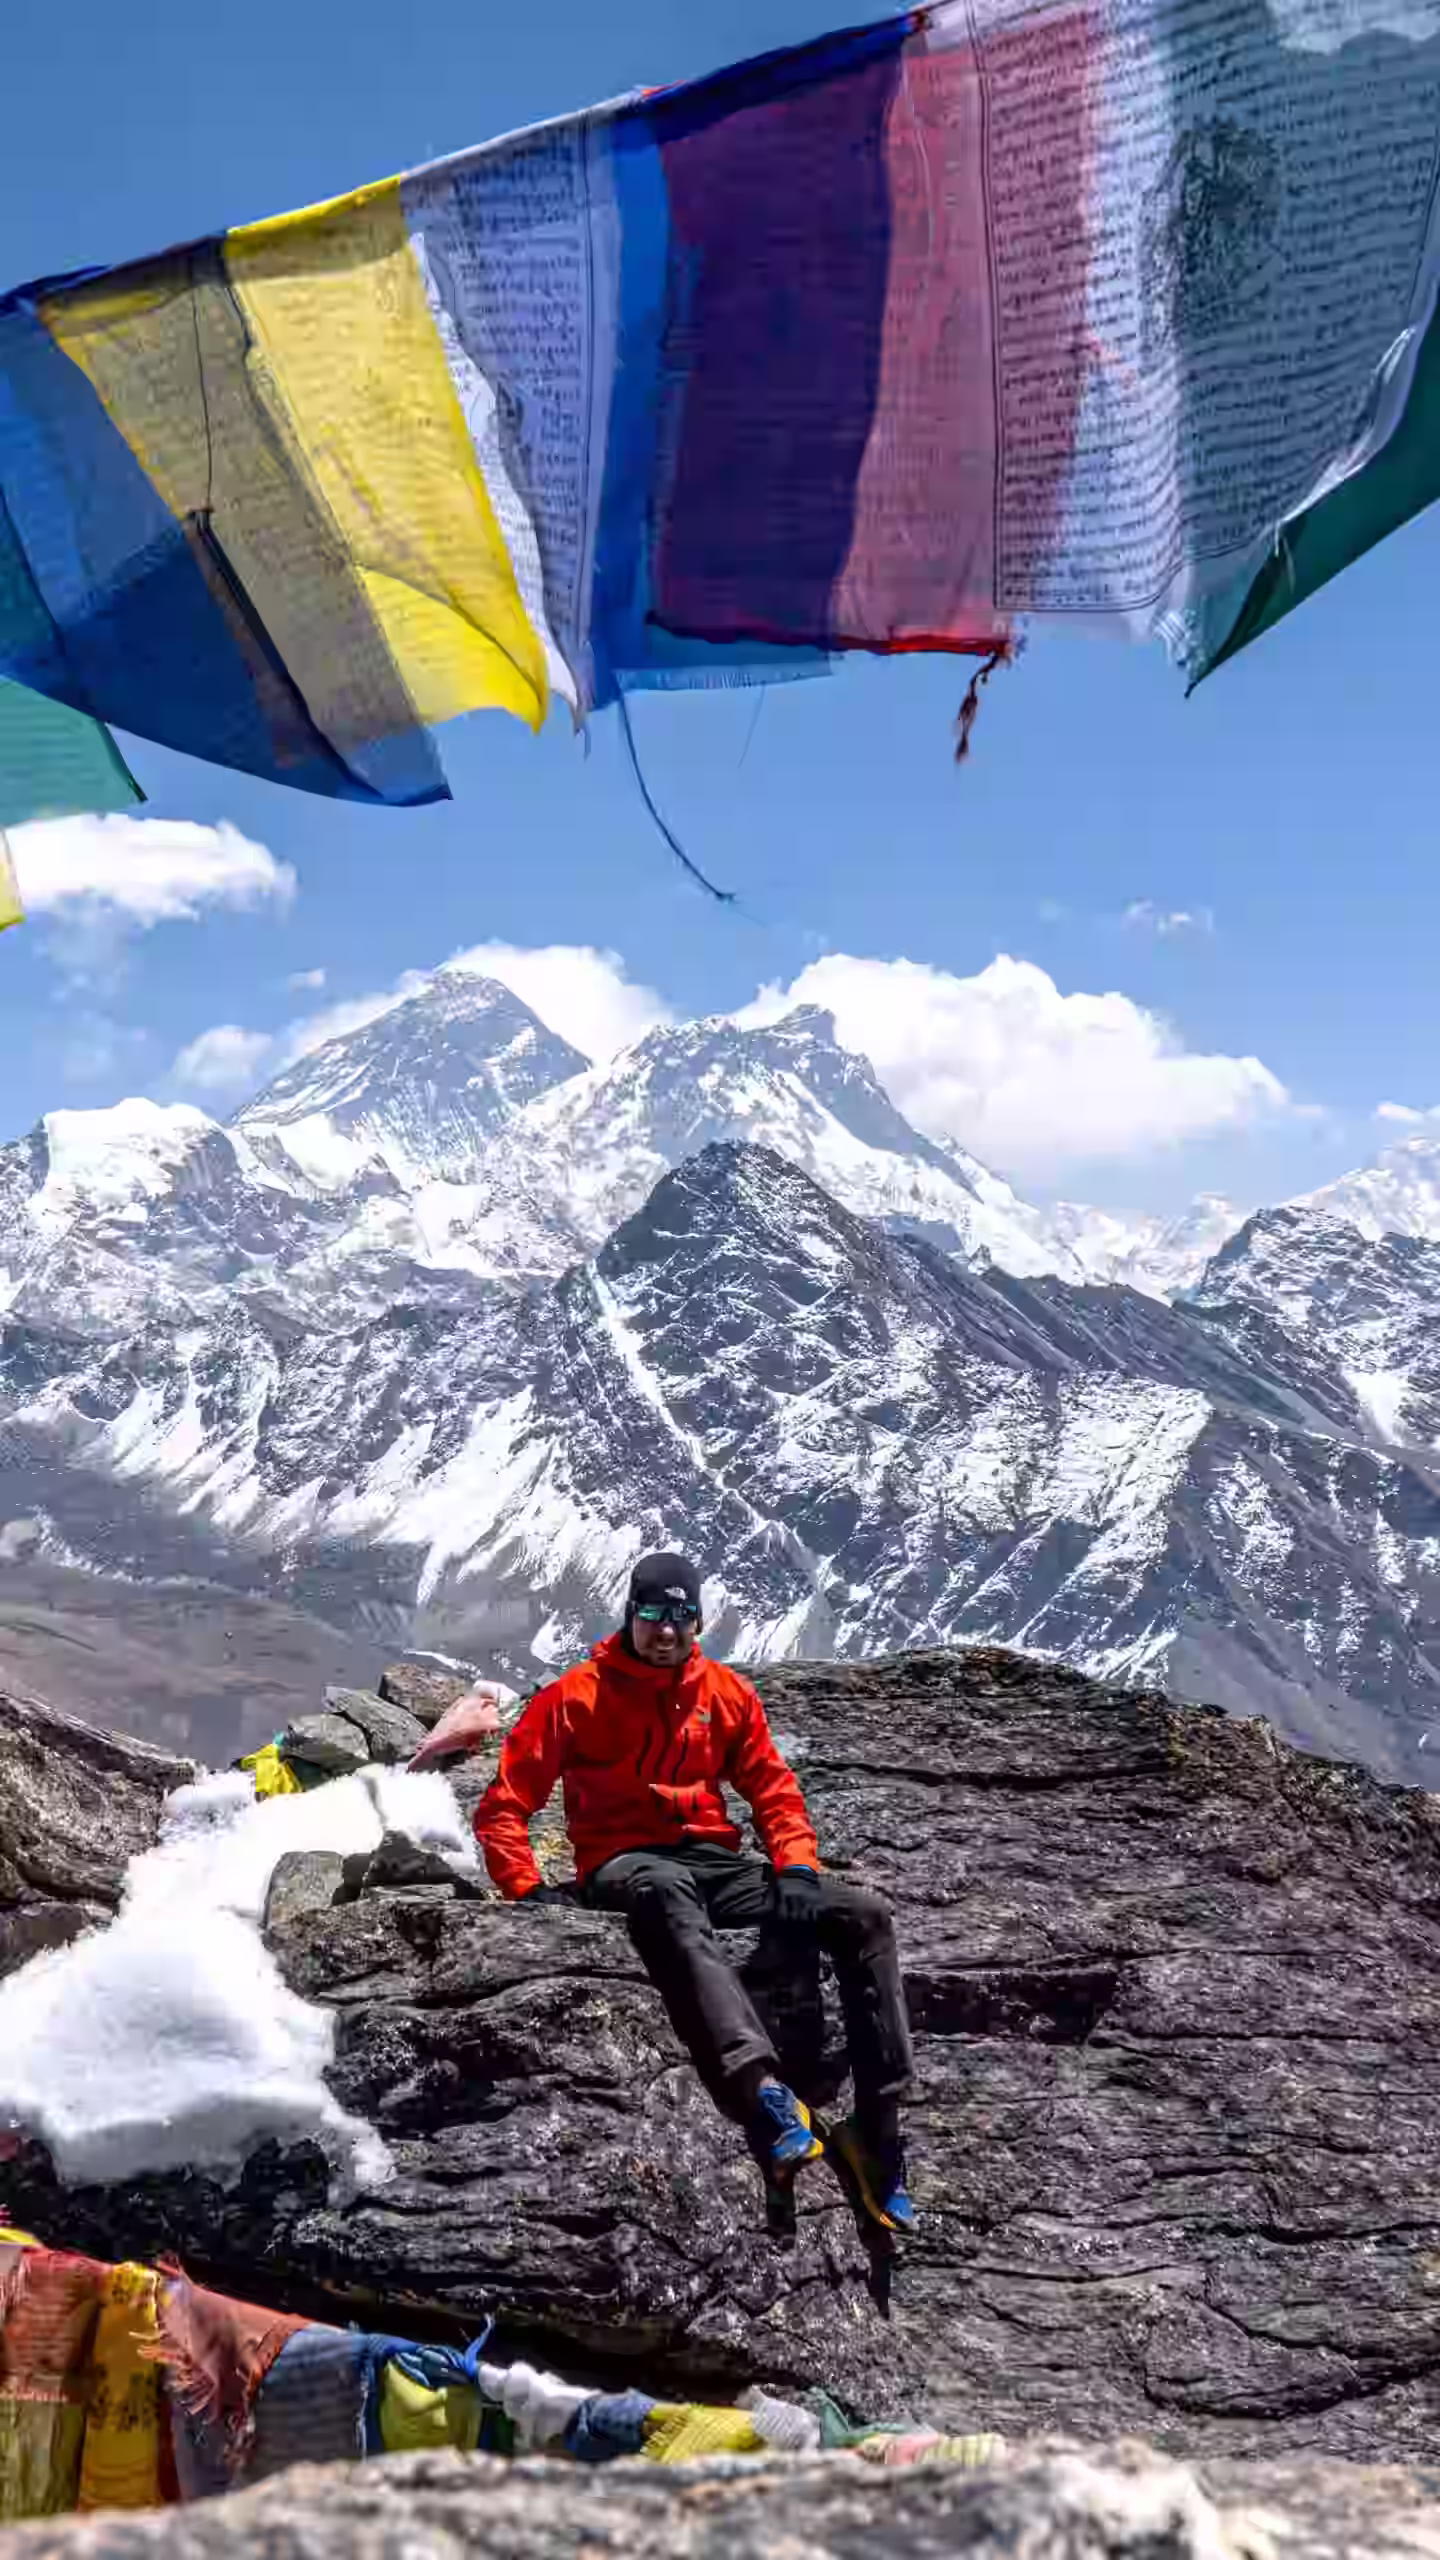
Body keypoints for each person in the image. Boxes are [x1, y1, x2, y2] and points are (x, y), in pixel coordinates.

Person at [475, 1551, 916, 2231]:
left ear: (698, 1620)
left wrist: (795, 1867)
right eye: (653, 1612)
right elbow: (505, 1805)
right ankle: (764, 2094)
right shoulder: (575, 1697)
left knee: (864, 1914)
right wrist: (527, 1890)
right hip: (625, 1862)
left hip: (716, 1861)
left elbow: (772, 1788)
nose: (667, 1629)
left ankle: (879, 2128)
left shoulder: (724, 1693)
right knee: (671, 1899)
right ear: (630, 1613)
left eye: (682, 1615)